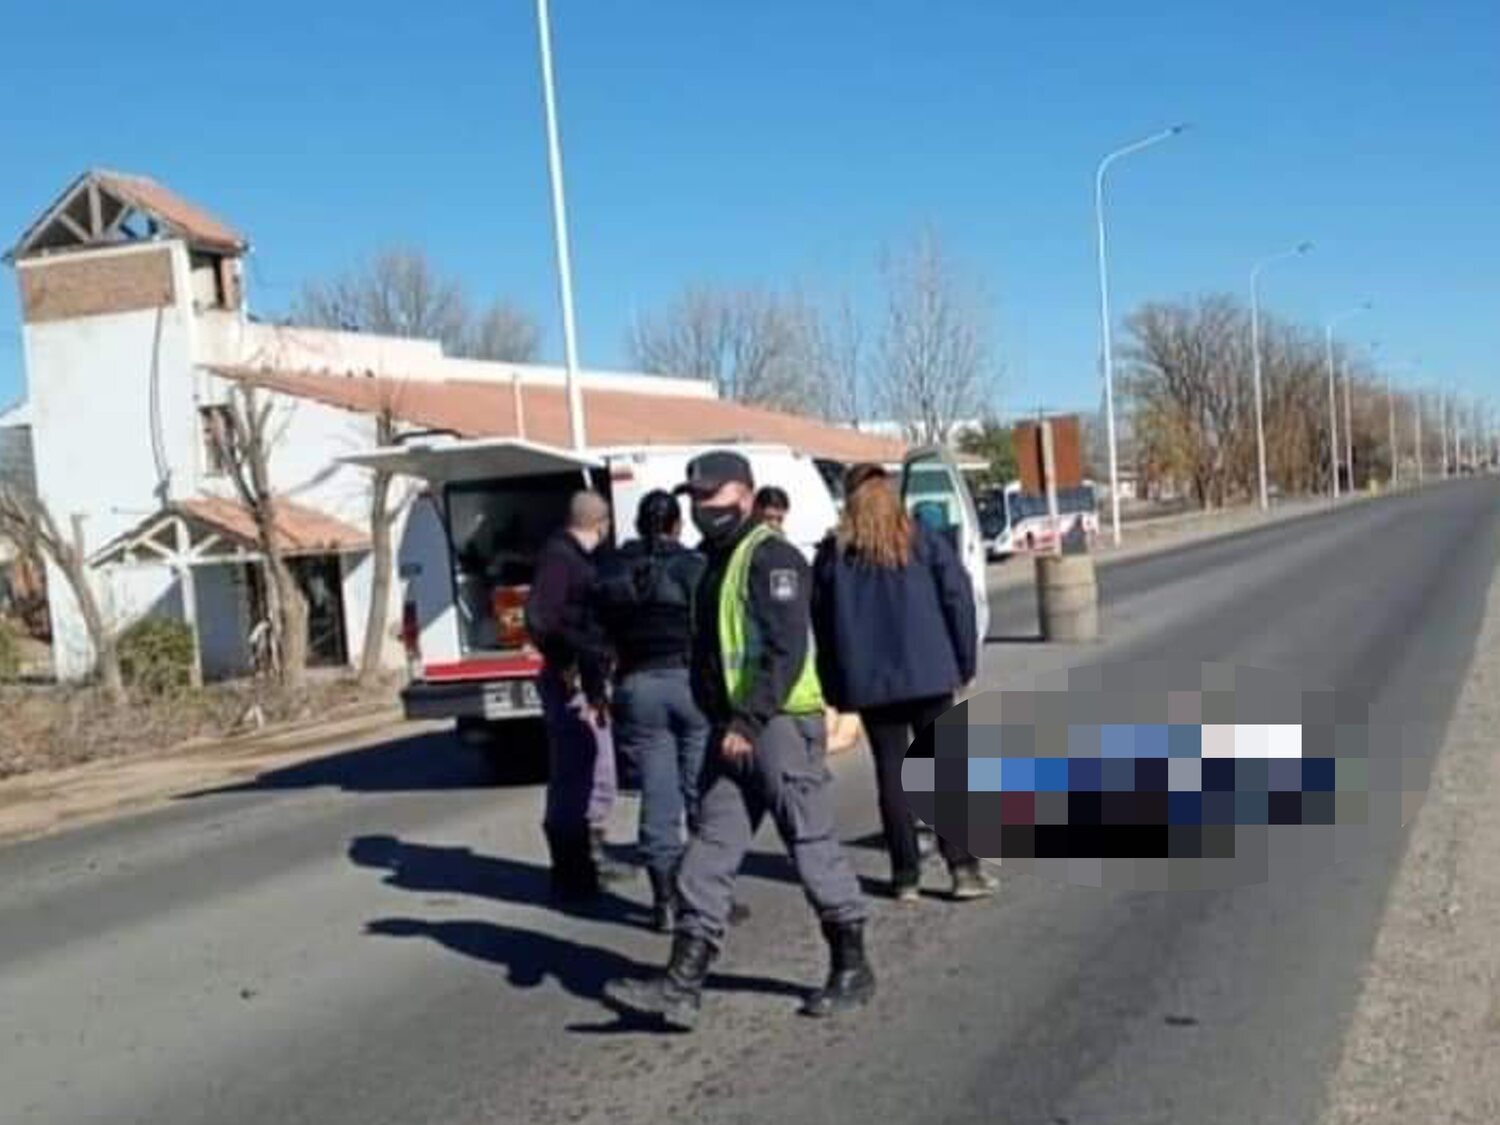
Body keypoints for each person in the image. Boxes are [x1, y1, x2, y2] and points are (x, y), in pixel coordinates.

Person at [607, 451, 873, 1029]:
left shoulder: (771, 558)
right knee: (708, 854)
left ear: (745, 495)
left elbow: (785, 651)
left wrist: (747, 722)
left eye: (714, 495)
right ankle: (682, 984)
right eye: (696, 499)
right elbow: (708, 652)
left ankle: (852, 965)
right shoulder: (713, 563)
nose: (703, 507)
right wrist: (717, 718)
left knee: (809, 843)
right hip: (732, 730)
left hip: (776, 724)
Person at [811, 463, 997, 902]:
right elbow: (958, 599)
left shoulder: (835, 556)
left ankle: (905, 873)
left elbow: (823, 627)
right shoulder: (922, 541)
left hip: (872, 684)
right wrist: (964, 660)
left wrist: (836, 687)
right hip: (930, 673)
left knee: (891, 776)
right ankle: (963, 869)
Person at [594, 490, 710, 930]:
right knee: (701, 789)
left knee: (658, 794)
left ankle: (664, 898)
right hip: (688, 681)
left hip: (637, 684)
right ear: (677, 524)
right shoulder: (693, 567)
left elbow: (596, 624)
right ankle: (702, 890)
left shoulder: (615, 571)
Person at [525, 490, 623, 900]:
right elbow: (543, 619)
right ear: (600, 525)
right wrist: (569, 661)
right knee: (577, 774)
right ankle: (573, 869)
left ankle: (587, 859)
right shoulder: (561, 560)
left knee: (596, 771)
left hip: (584, 679)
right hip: (572, 681)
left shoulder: (568, 558)